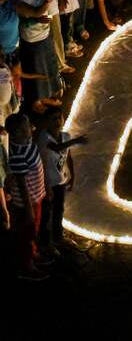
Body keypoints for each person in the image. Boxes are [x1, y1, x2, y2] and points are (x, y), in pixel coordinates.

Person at [37, 105, 87, 256]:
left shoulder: (65, 136)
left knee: (59, 210)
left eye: (59, 117)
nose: (57, 121)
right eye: (53, 119)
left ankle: (58, 238)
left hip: (60, 180)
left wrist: (72, 175)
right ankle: (45, 244)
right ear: (46, 122)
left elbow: (67, 156)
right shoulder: (44, 138)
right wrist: (77, 140)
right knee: (46, 214)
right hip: (47, 182)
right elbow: (58, 148)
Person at [6, 111, 49, 281]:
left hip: (35, 198)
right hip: (26, 204)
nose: (30, 129)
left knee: (33, 230)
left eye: (28, 126)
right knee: (27, 233)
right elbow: (22, 185)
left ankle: (32, 253)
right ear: (17, 133)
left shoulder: (27, 142)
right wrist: (29, 210)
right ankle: (26, 267)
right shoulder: (18, 154)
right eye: (25, 128)